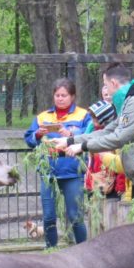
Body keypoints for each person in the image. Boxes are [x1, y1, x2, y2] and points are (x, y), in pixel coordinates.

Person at [56, 63, 134, 220]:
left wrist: (83, 146)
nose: (105, 91)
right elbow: (107, 131)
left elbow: (119, 138)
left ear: (114, 83)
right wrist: (69, 140)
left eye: (106, 85)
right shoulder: (128, 104)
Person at [24, 77, 92, 248]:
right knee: (48, 216)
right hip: (49, 172)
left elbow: (90, 136)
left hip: (72, 170)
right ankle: (51, 250)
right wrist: (38, 135)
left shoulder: (83, 115)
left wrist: (69, 134)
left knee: (75, 215)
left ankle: (83, 250)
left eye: (64, 95)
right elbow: (29, 140)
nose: (60, 98)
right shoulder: (43, 116)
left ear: (73, 96)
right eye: (57, 95)